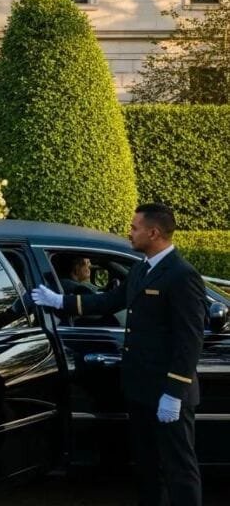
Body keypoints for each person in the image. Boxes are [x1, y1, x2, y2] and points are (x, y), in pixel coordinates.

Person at [32, 203, 207, 506]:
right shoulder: (142, 268)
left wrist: (174, 393)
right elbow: (109, 300)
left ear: (153, 233)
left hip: (167, 392)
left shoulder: (182, 275)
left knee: (179, 467)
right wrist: (61, 301)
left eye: (135, 227)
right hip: (140, 388)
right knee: (147, 466)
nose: (130, 231)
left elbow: (189, 340)